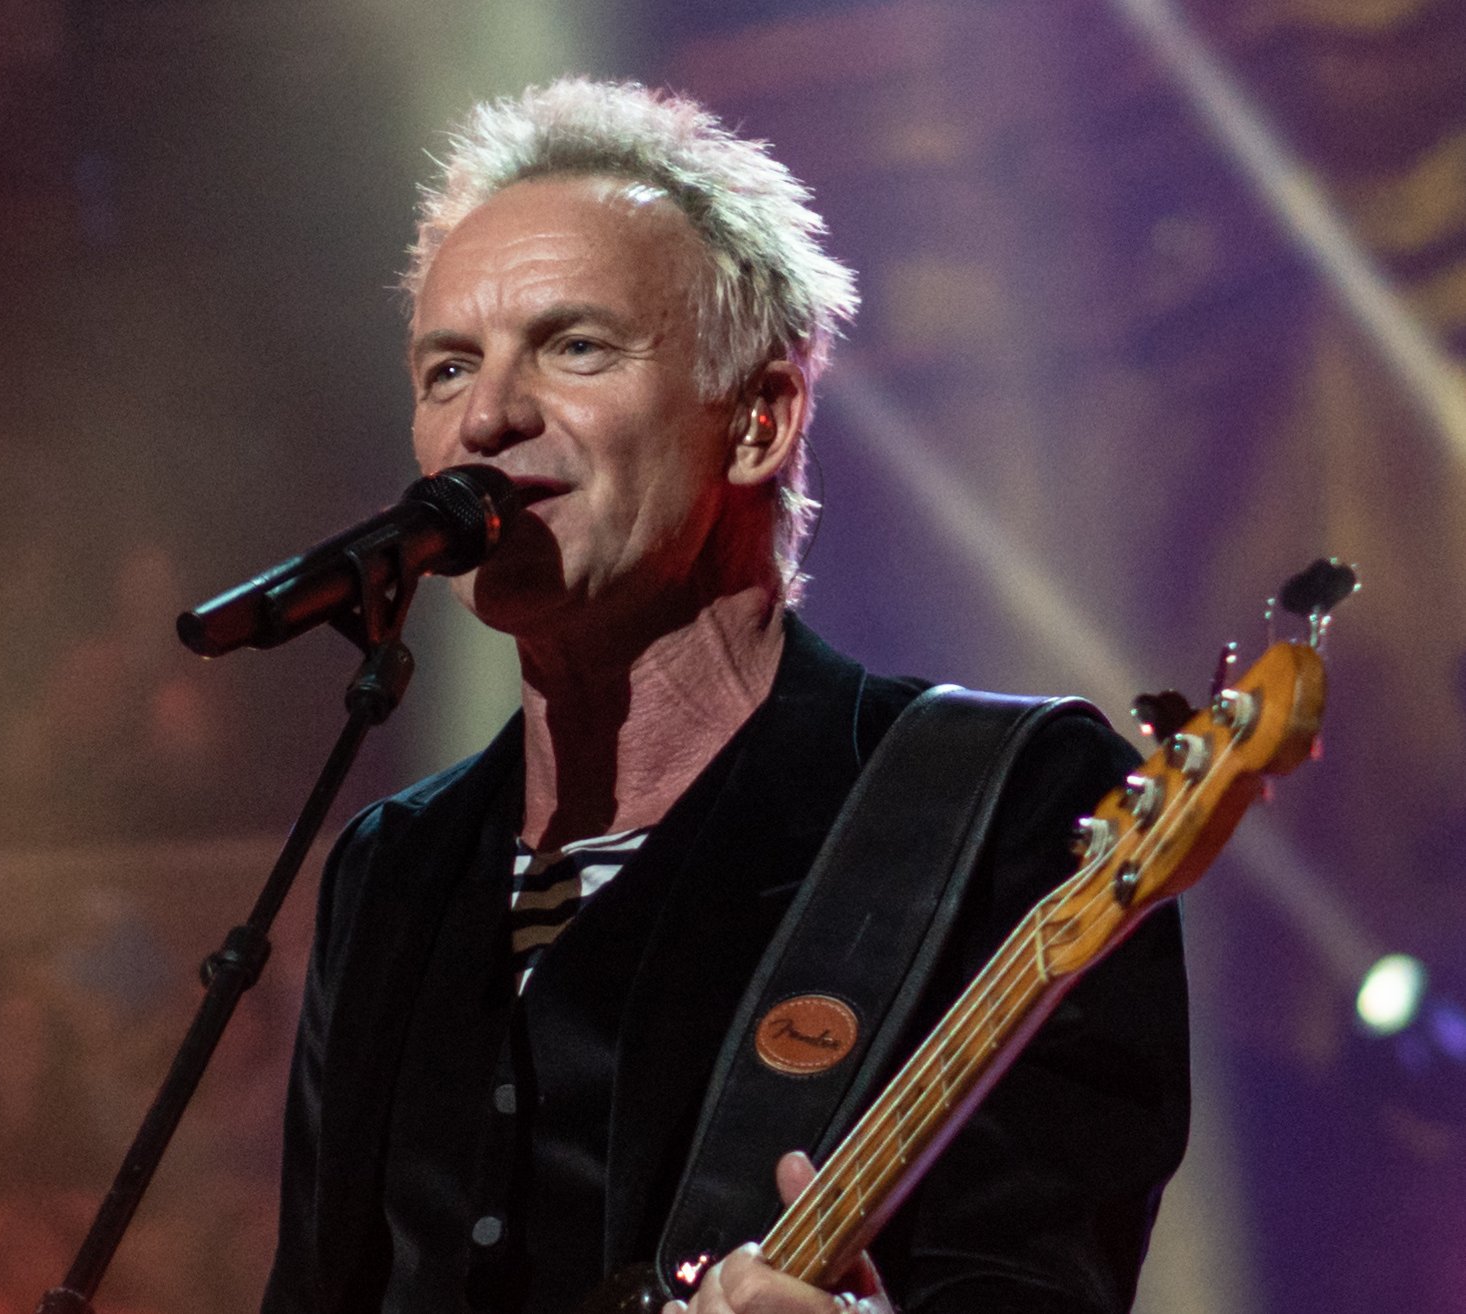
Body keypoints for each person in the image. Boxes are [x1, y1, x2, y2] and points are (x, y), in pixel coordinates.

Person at [261, 78, 1189, 1314]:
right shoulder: (396, 867)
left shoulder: (997, 806)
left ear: (757, 421)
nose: (487, 415)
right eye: (446, 368)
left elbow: (1032, 1276)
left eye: (574, 345)